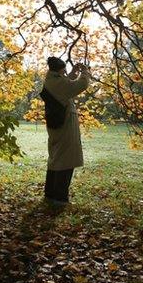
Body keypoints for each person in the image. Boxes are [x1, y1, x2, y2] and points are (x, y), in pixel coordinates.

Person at [41, 56, 91, 205]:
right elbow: (79, 85)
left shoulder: (52, 80)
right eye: (64, 72)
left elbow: (65, 84)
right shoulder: (57, 83)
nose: (65, 74)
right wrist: (85, 72)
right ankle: (59, 198)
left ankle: (50, 194)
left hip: (57, 125)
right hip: (64, 127)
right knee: (66, 161)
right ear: (59, 71)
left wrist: (74, 72)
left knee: (56, 159)